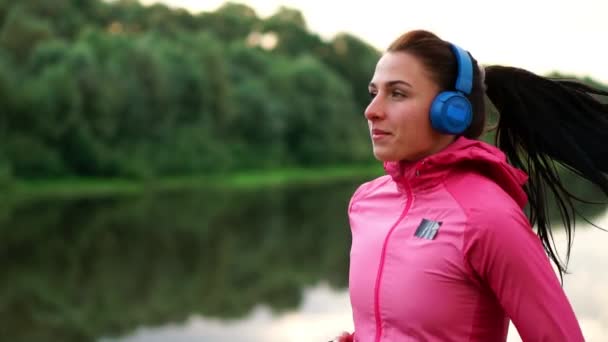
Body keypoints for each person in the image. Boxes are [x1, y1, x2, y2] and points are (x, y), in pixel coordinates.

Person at [336, 30, 608, 341]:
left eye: (397, 94)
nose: (372, 111)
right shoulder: (366, 202)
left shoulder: (487, 216)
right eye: (375, 93)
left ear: (451, 111)